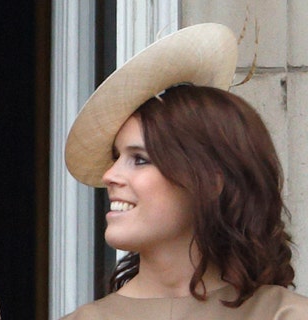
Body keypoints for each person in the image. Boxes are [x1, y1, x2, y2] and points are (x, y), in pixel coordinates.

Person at [61, 23, 308, 319]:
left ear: (211, 180)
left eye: (140, 159)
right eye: (116, 157)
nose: (109, 176)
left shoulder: (284, 314)